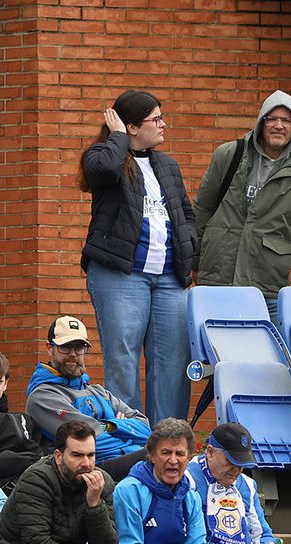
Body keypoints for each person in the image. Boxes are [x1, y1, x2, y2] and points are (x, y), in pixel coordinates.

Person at [76, 90, 197, 422]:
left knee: (173, 362)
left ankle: (170, 442)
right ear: (130, 126)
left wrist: (189, 248)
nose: (163, 124)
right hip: (120, 275)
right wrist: (116, 137)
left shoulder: (167, 165)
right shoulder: (104, 156)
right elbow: (102, 171)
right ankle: (130, 443)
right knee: (123, 359)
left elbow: (185, 213)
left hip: (170, 279)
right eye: (155, 119)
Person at [192, 90, 291, 307]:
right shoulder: (230, 154)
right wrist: (192, 261)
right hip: (218, 271)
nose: (278, 125)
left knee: (263, 339)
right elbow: (202, 210)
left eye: (287, 120)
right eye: (272, 118)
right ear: (261, 122)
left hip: (267, 279)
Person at [0, 418, 141, 544]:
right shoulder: (37, 479)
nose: (86, 463)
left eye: (91, 455)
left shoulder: (101, 482)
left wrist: (94, 504)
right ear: (58, 456)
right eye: (77, 455)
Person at [25, 315, 151, 480]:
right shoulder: (42, 396)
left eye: (79, 347)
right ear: (50, 348)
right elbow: (84, 443)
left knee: (170, 454)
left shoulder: (98, 391)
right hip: (92, 469)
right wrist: (127, 432)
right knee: (162, 455)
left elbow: (145, 427)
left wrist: (112, 426)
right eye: (65, 347)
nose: (73, 354)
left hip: (126, 458)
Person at [111, 418, 216, 544]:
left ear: (189, 457)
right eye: (166, 452)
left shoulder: (191, 496)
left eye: (180, 454)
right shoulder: (129, 490)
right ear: (151, 455)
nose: (173, 460)